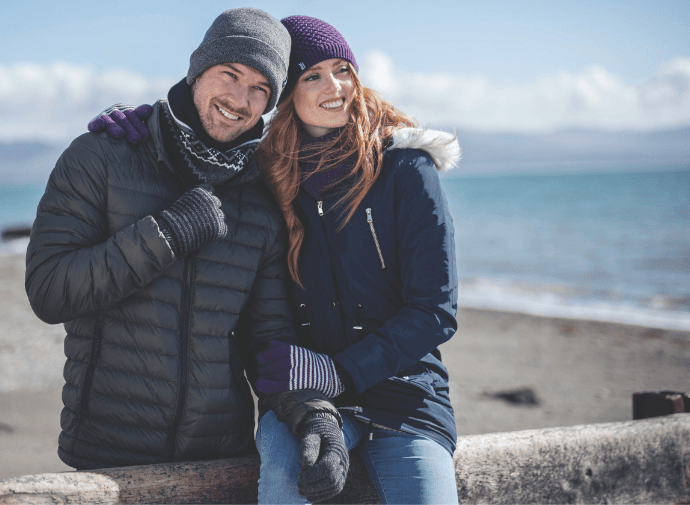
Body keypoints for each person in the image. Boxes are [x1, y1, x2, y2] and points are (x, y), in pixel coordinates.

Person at [88, 15, 462, 504]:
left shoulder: (405, 169)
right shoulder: (267, 179)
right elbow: (194, 151)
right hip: (304, 402)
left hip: (407, 400)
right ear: (286, 95)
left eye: (342, 69)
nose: (336, 87)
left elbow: (435, 310)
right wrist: (137, 125)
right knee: (284, 484)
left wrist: (342, 372)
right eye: (312, 76)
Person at [26, 7, 348, 483]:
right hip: (107, 458)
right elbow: (50, 291)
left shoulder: (259, 197)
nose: (240, 99)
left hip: (219, 459)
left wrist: (314, 411)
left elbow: (269, 336)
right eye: (229, 74)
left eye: (261, 88)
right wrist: (167, 233)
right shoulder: (102, 156)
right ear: (198, 70)